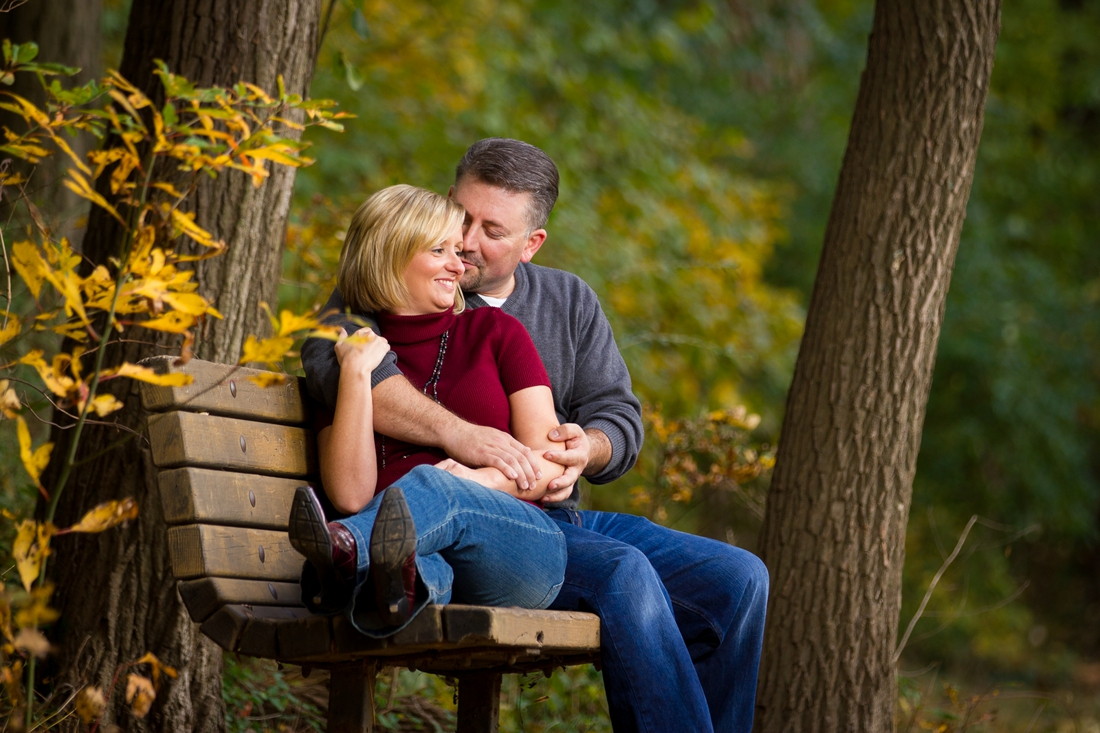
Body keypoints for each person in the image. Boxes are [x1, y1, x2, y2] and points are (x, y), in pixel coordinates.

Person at [301, 139, 769, 732]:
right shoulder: (358, 311)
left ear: (531, 244)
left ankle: (349, 552)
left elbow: (615, 415)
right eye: (458, 219)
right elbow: (357, 375)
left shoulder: (561, 303)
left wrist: (588, 447)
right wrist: (465, 442)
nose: (465, 244)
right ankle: (360, 558)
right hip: (479, 530)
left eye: (489, 230)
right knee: (611, 569)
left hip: (553, 516)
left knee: (740, 580)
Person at [290, 183, 568, 637]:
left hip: (519, 547)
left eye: (457, 251)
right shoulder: (347, 354)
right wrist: (358, 376)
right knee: (412, 564)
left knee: (432, 489)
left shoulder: (497, 331)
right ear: (389, 254)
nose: (459, 265)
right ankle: (386, 584)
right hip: (423, 558)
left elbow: (549, 460)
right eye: (440, 250)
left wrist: (468, 483)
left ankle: (342, 550)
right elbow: (351, 497)